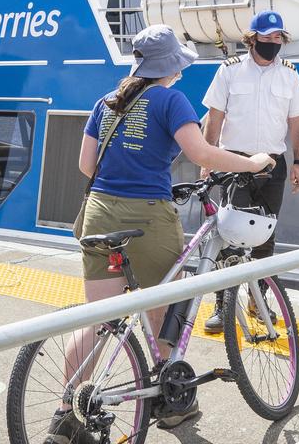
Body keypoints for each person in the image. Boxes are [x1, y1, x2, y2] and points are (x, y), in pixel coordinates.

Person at [52, 25, 272, 443]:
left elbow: (87, 164)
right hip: (147, 216)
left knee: (98, 320)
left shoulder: (107, 102)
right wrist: (254, 161)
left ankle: (66, 413)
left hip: (98, 211)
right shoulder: (170, 100)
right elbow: (201, 154)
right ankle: (172, 403)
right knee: (163, 311)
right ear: (171, 66)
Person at [201, 10, 299, 333]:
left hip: (273, 165)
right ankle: (223, 306)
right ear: (252, 39)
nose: (273, 42)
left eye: (278, 37)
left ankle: (257, 299)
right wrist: (208, 160)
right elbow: (215, 117)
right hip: (234, 163)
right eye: (267, 37)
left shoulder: (290, 74)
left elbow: (297, 125)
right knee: (229, 235)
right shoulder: (230, 71)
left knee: (265, 237)